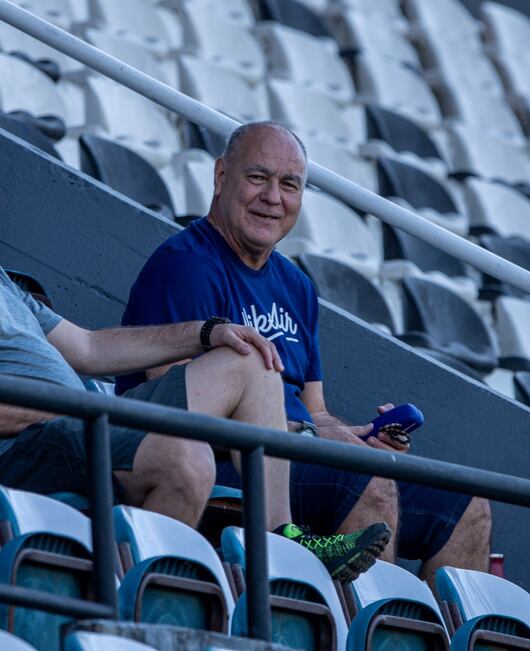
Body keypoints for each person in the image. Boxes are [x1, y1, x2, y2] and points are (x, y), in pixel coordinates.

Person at [0, 106, 389, 581]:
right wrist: (66, 408)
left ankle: (275, 542)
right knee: (188, 455)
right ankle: (131, 603)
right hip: (24, 448)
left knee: (237, 378)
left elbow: (89, 349)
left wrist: (207, 332)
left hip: (76, 429)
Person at [118, 121, 491, 588]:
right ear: (220, 177)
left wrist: (357, 435)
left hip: (298, 453)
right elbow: (175, 405)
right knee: (366, 481)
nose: (273, 197)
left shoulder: (297, 286)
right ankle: (359, 624)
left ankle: (404, 623)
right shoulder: (185, 265)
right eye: (258, 177)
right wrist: (312, 436)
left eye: (289, 184)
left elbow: (314, 409)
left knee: (467, 506)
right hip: (229, 461)